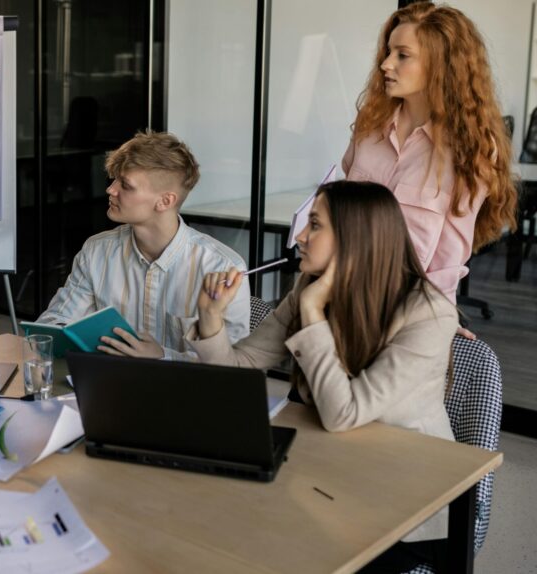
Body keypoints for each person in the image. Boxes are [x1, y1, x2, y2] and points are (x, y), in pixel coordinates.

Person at [190, 180, 457, 571]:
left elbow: (344, 415)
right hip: (328, 473)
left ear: (354, 237)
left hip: (405, 504)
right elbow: (238, 368)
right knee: (218, 527)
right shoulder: (307, 287)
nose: (299, 236)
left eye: (314, 225)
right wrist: (210, 317)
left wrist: (314, 313)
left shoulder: (428, 313)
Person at [343, 2, 517, 309]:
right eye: (388, 51)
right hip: (343, 292)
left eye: (402, 55)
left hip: (409, 308)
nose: (385, 64)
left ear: (441, 64)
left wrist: (434, 323)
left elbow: (448, 259)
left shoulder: (470, 146)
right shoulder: (368, 130)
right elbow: (340, 213)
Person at [37, 130, 250, 361]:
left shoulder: (222, 266)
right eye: (114, 179)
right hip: (109, 383)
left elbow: (235, 365)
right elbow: (53, 323)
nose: (111, 189)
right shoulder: (97, 251)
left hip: (185, 393)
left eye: (125, 185)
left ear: (165, 201)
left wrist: (162, 357)